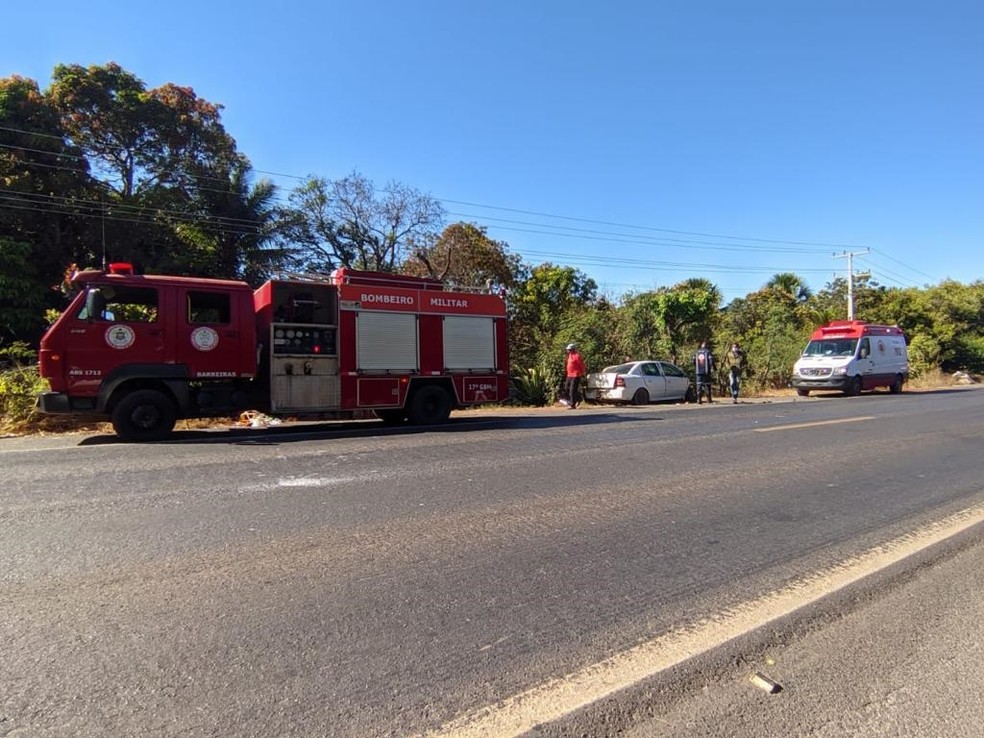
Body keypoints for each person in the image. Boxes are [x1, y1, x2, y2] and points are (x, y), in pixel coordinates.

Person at [564, 343, 586, 409]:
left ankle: (572, 404)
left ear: (573, 349)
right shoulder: (569, 355)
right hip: (569, 375)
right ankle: (577, 400)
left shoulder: (577, 356)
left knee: (572, 390)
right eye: (568, 350)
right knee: (566, 388)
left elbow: (582, 365)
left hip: (576, 375)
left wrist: (583, 373)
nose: (568, 351)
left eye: (569, 350)